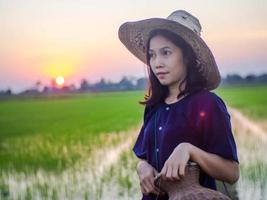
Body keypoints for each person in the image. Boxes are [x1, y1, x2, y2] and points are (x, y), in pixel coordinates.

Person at [118, 10, 240, 200]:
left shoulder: (207, 104)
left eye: (166, 53)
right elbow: (145, 157)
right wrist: (141, 167)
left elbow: (231, 172)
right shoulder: (154, 106)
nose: (157, 63)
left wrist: (189, 150)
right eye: (152, 55)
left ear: (188, 57)